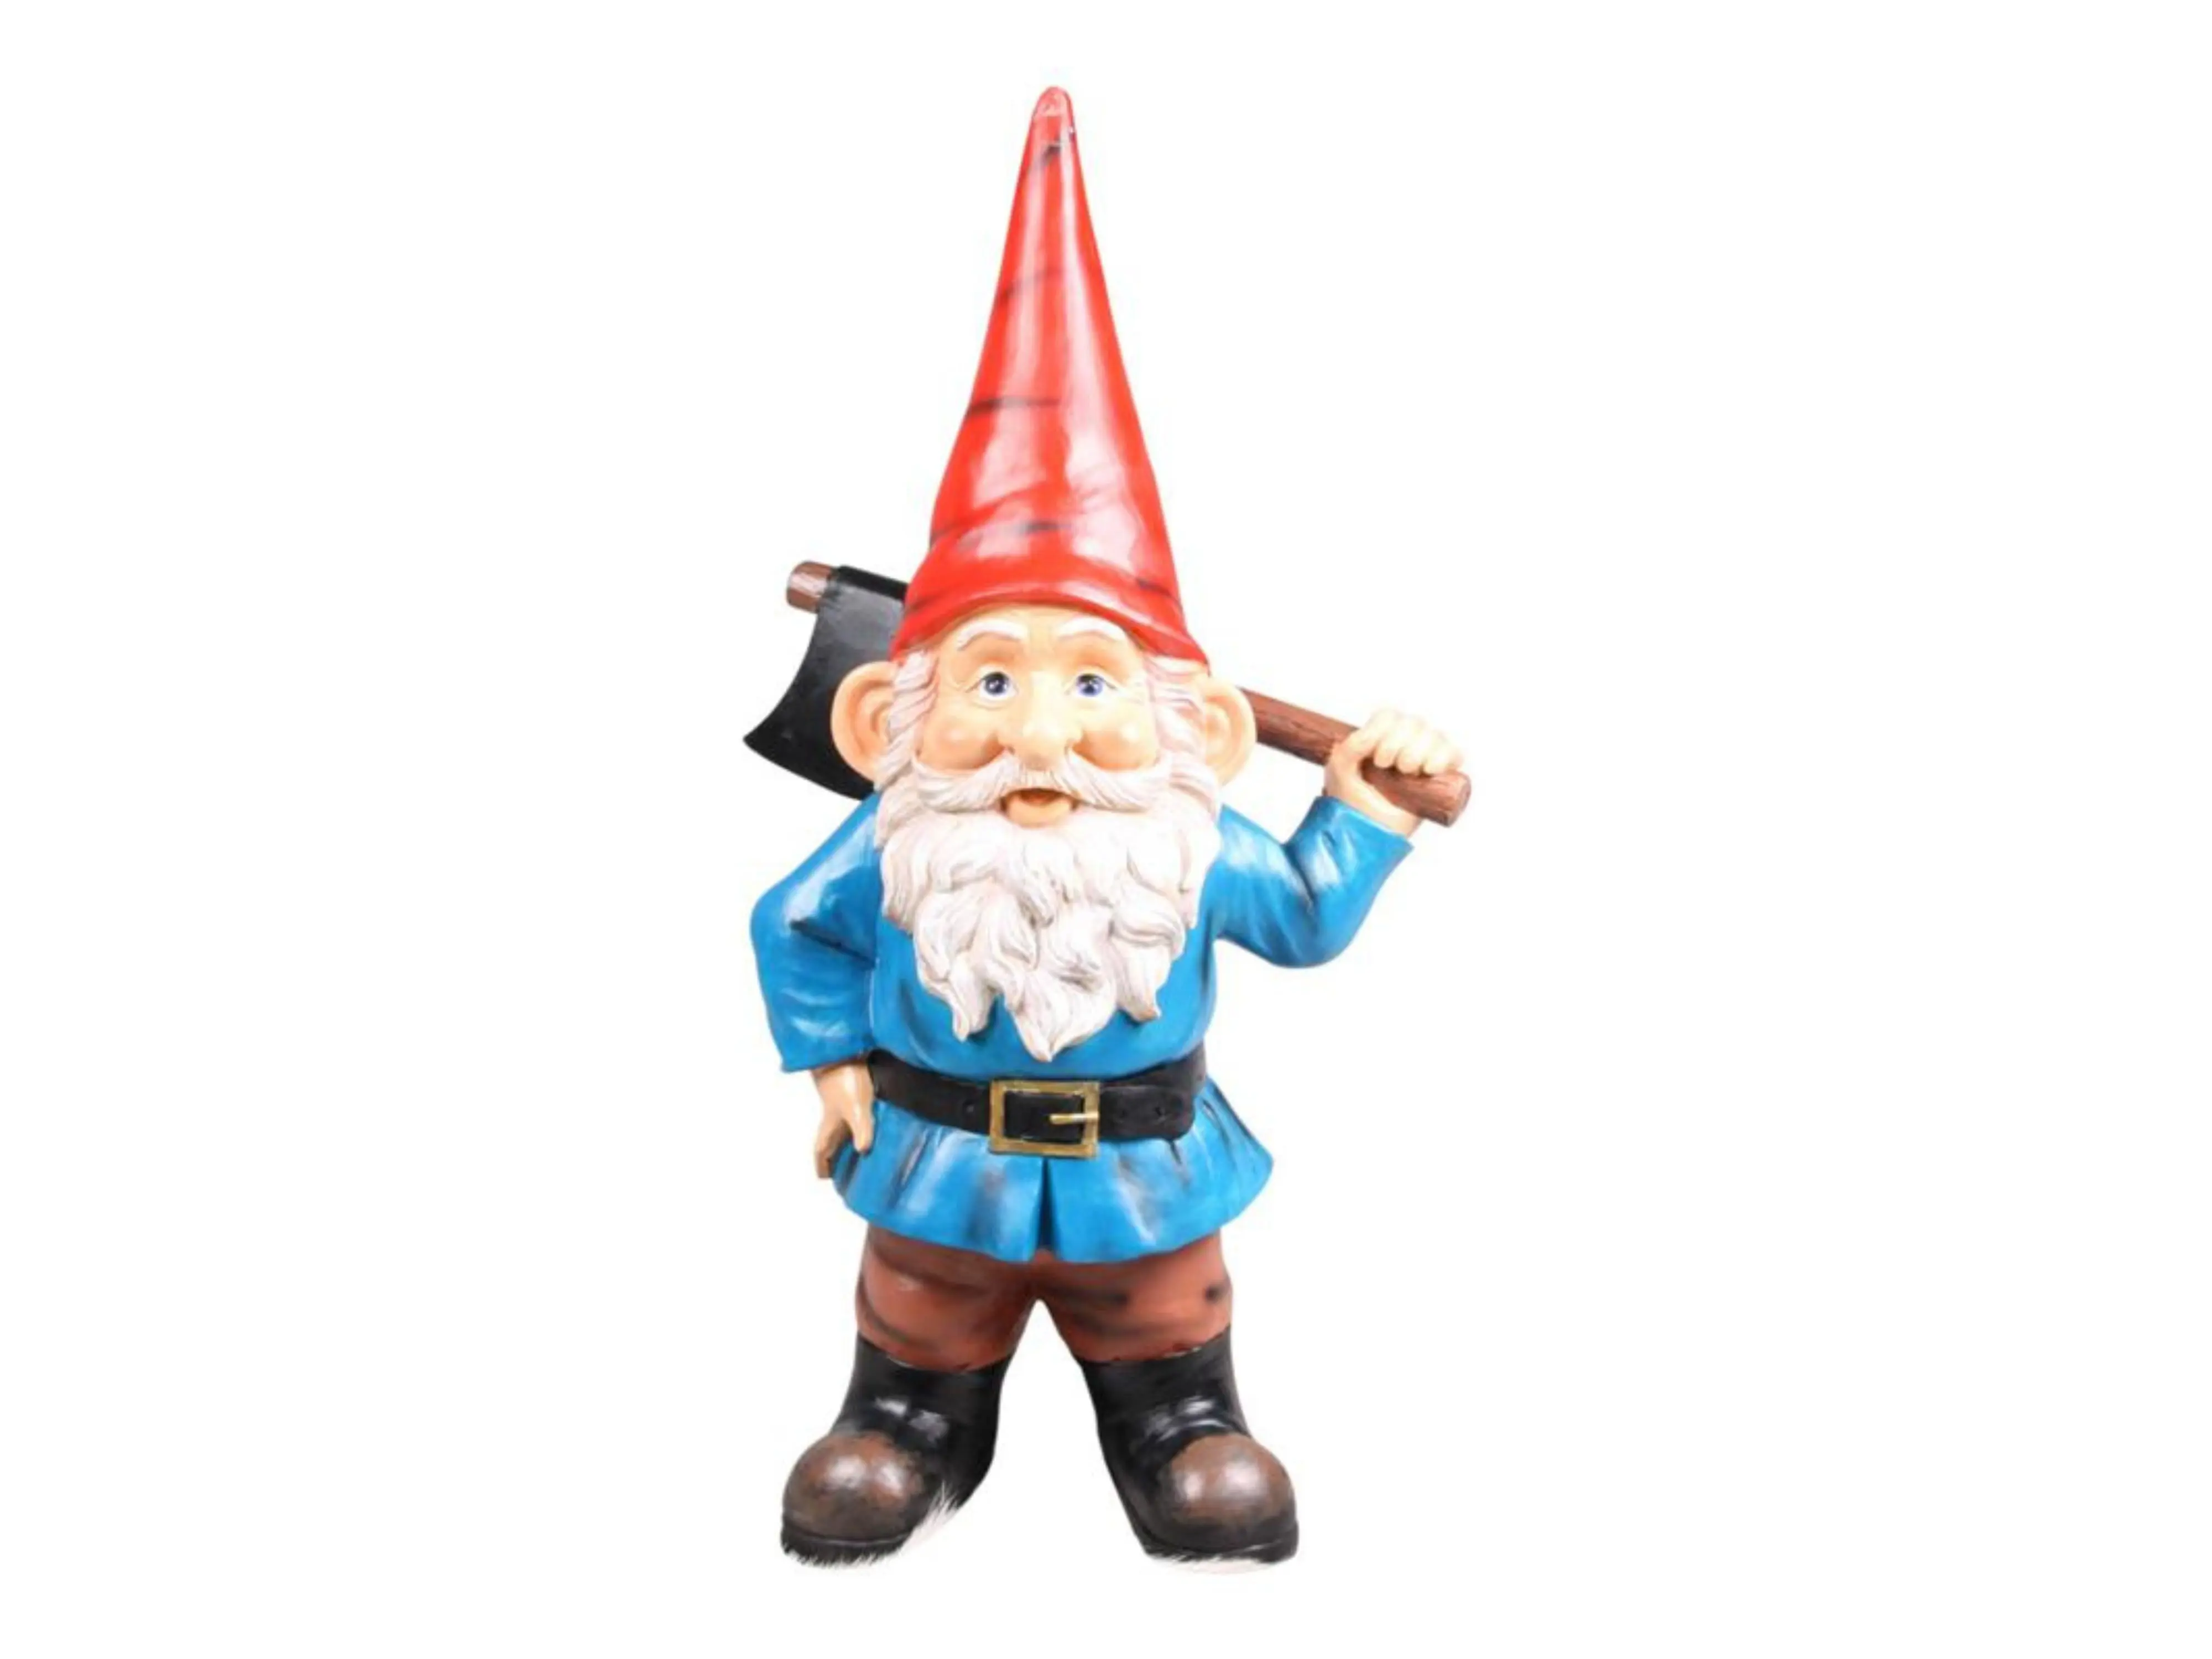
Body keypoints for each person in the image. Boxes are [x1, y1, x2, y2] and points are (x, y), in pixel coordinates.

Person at [752, 88, 1458, 1566]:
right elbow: (792, 924)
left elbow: (1306, 919)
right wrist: (830, 1061)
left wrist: (1365, 802)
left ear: (1197, 730)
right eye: (990, 683)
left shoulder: (1185, 844)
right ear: (888, 720)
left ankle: (1180, 1419)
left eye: (1090, 685)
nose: (1039, 734)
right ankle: (908, 1418)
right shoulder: (900, 844)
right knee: (921, 1301)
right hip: (935, 1159)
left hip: (1149, 1166)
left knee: (1162, 1306)